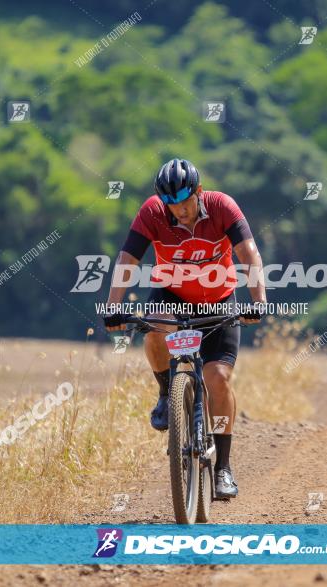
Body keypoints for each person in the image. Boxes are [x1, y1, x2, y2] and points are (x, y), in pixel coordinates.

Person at [102, 158, 266, 500]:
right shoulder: (152, 212)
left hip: (218, 298)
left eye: (185, 202)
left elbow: (248, 253)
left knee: (218, 379)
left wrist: (258, 300)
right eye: (172, 205)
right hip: (171, 294)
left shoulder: (222, 206)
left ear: (199, 193)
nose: (180, 210)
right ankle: (166, 393)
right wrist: (113, 305)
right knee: (154, 327)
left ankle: (223, 468)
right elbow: (128, 259)